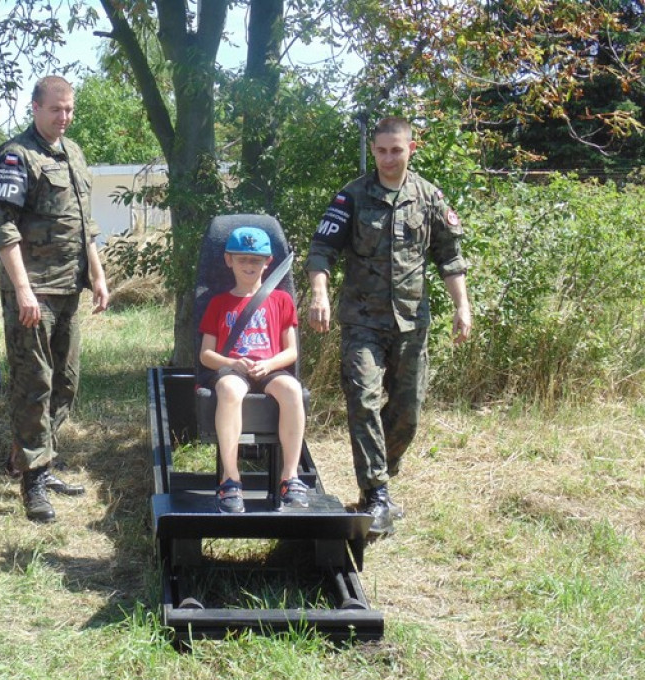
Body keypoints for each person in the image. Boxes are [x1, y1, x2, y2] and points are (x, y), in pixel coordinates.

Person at [305, 116, 472, 538]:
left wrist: (462, 306)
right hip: (362, 321)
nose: (387, 158)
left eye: (396, 150)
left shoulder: (429, 197)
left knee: (407, 413)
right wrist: (320, 294)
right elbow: (322, 250)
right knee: (362, 399)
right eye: (381, 151)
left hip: (411, 322)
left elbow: (449, 258)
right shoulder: (353, 197)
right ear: (374, 151)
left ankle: (382, 470)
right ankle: (376, 493)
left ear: (410, 149)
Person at [0, 75, 109, 523]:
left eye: (70, 110)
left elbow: (85, 224)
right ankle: (33, 479)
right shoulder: (17, 156)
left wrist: (97, 274)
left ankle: (34, 457)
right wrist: (22, 289)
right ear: (35, 108)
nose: (65, 117)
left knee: (67, 381)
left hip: (68, 287)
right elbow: (4, 227)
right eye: (56, 109)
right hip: (33, 290)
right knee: (33, 383)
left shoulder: (73, 153)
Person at [199, 227, 308, 513]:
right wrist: (231, 363)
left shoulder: (282, 300)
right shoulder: (218, 303)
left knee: (292, 389)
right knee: (229, 388)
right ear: (229, 260)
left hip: (269, 366)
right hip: (233, 367)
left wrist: (270, 364)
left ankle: (290, 476)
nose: (249, 266)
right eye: (243, 259)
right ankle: (231, 479)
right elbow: (206, 355)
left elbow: (291, 351)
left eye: (256, 260)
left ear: (268, 262)